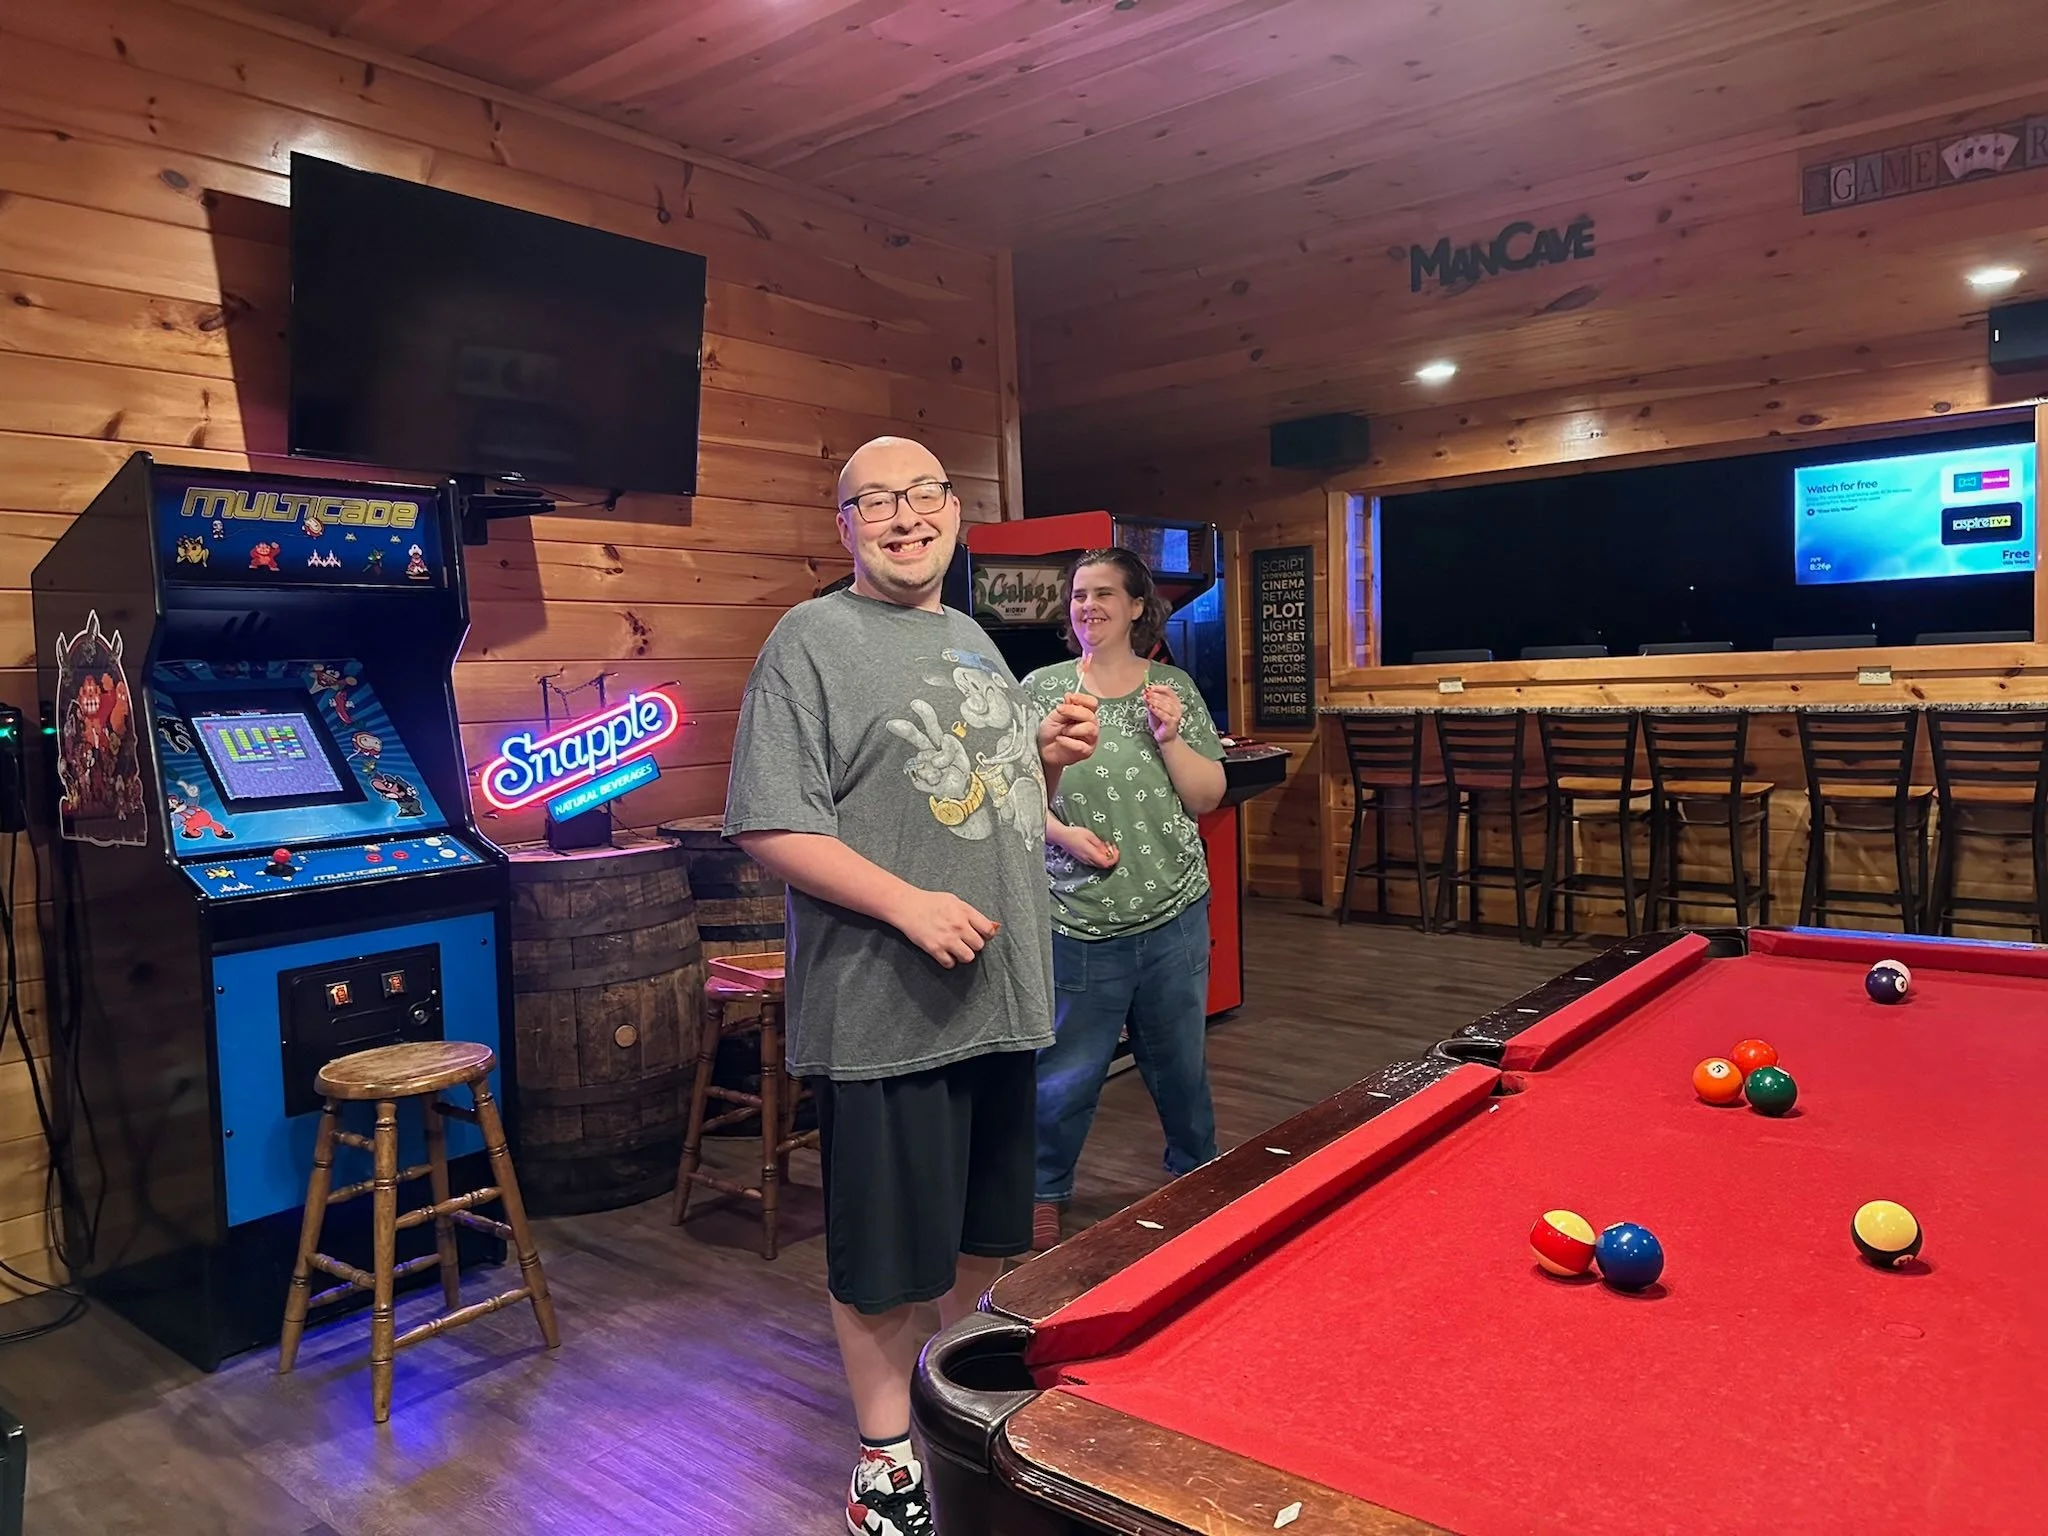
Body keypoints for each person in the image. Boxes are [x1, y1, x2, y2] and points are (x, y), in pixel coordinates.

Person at [723, 437, 1099, 1536]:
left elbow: (978, 788)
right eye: (874, 500)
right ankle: (884, 1456)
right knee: (884, 1257)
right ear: (842, 525)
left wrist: (1047, 754)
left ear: (952, 512)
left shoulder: (973, 637)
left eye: (923, 494)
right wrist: (905, 904)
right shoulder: (811, 640)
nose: (903, 515)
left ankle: (955, 1406)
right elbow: (770, 819)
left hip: (997, 999)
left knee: (982, 1235)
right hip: (884, 1008)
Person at [1020, 548, 1229, 1252]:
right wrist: (1066, 837)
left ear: (1139, 606)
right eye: (1080, 594)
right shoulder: (1041, 691)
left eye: (1106, 593)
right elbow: (1016, 800)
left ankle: (1196, 1175)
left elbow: (1205, 797)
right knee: (1065, 1072)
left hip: (1174, 912)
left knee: (1180, 1063)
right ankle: (1043, 1190)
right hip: (1076, 918)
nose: (1089, 606)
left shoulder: (1171, 688)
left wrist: (1170, 735)